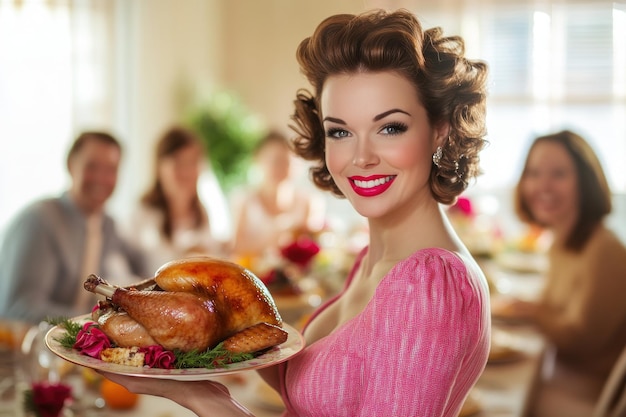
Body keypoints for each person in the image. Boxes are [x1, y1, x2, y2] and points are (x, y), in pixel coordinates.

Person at [99, 9, 491, 416]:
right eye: (340, 131)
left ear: (440, 129)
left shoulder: (426, 285)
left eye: (390, 127)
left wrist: (206, 402)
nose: (361, 157)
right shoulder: (374, 260)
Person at [498, 130, 626, 417]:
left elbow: (581, 341)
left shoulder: (604, 250)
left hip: (592, 396)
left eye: (558, 174)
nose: (542, 185)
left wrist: (532, 311)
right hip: (570, 374)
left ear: (585, 181)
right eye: (533, 172)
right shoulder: (564, 240)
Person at [0, 131, 149, 324]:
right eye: (92, 166)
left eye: (111, 170)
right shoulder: (39, 221)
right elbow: (19, 308)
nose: (101, 178)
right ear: (71, 165)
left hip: (73, 343)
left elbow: (142, 263)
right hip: (28, 348)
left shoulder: (107, 225)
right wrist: (94, 320)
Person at [124, 126, 227, 274]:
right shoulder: (141, 215)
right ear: (160, 167)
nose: (186, 171)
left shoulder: (201, 213)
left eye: (192, 162)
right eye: (179, 163)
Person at [230, 129, 325, 273]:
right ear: (258, 160)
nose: (279, 167)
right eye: (274, 161)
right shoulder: (244, 202)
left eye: (286, 161)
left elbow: (317, 252)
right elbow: (236, 250)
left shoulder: (309, 202)